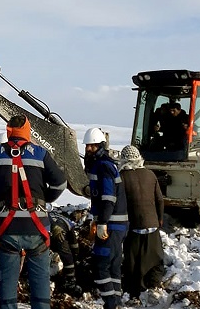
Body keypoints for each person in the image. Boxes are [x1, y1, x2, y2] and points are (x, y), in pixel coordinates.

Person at [0, 115, 67, 309]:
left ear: (9, 131)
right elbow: (60, 182)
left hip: (7, 228)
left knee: (6, 288)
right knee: (40, 287)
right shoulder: (40, 153)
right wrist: (44, 198)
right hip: (37, 228)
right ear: (27, 131)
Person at [83, 127, 128, 309]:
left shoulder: (104, 167)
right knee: (114, 267)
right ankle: (115, 303)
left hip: (111, 225)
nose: (88, 150)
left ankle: (111, 304)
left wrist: (102, 223)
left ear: (100, 146)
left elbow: (108, 198)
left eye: (92, 147)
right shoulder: (105, 164)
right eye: (87, 146)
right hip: (117, 225)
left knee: (102, 265)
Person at [118, 145, 165, 302]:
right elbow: (159, 199)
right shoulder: (150, 174)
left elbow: (118, 203)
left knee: (133, 262)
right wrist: (159, 219)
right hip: (152, 225)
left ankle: (135, 292)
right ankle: (153, 286)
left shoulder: (121, 177)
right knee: (155, 258)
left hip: (134, 227)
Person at [49, 210, 82, 297]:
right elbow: (74, 242)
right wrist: (76, 255)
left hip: (43, 230)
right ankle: (70, 280)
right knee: (67, 255)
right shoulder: (68, 222)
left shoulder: (50, 213)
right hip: (59, 233)